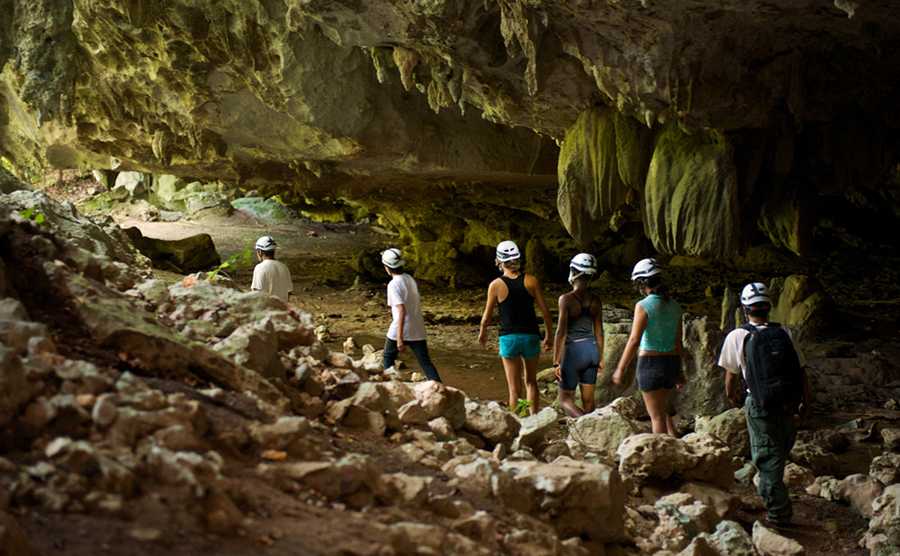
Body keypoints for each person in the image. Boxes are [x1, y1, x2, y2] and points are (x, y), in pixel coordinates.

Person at [718, 282, 810, 527]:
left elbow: (730, 377)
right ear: (768, 307)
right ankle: (776, 496)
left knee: (767, 458)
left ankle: (779, 515)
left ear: (745, 308)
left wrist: (733, 398)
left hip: (759, 404)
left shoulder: (738, 335)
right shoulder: (785, 333)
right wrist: (804, 402)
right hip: (788, 403)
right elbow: (801, 371)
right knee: (778, 452)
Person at [478, 240, 553, 415]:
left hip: (508, 339)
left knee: (514, 388)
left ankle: (520, 420)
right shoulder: (531, 281)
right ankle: (535, 419)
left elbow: (487, 316)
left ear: (499, 261)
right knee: (531, 382)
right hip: (531, 337)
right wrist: (549, 336)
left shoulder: (495, 285)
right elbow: (546, 312)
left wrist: (483, 333)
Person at [612, 258, 683, 434]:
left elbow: (634, 339)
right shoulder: (675, 306)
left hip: (650, 365)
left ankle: (661, 459)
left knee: (656, 417)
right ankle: (677, 447)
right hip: (671, 364)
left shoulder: (643, 306)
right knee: (663, 410)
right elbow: (678, 342)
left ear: (642, 283)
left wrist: (620, 368)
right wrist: (679, 372)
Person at [553, 253, 604, 418]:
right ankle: (590, 431)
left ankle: (584, 423)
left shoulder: (566, 300)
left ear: (574, 271)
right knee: (588, 401)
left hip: (574, 350)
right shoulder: (596, 300)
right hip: (592, 350)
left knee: (565, 399)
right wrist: (600, 357)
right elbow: (599, 331)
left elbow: (561, 332)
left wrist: (556, 361)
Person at [381, 248, 442, 382]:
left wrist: (399, 338)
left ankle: (390, 387)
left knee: (388, 359)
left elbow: (401, 311)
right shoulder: (409, 278)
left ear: (388, 268)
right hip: (417, 327)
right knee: (426, 363)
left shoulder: (393, 284)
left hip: (400, 327)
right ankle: (440, 388)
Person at [250, 235, 293, 302]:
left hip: (267, 311)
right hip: (283, 310)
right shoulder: (284, 267)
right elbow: (289, 292)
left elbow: (257, 293)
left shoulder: (259, 268)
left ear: (260, 252)